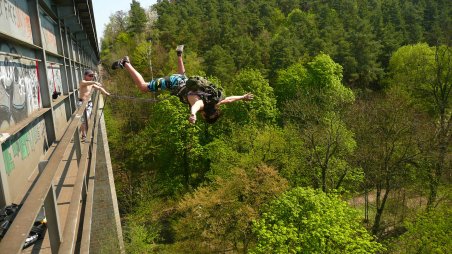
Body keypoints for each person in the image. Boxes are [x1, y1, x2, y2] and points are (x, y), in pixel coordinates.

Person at [111, 45, 253, 124]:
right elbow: (197, 106)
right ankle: (126, 62)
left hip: (183, 80)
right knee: (143, 87)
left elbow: (229, 99)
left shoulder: (215, 101)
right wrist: (193, 115)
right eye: (204, 117)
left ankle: (179, 55)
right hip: (172, 82)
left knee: (182, 75)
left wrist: (242, 97)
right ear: (206, 114)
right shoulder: (202, 105)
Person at [78, 69, 110, 141]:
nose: (91, 77)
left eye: (92, 76)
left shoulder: (91, 84)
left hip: (89, 103)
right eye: (90, 76)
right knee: (84, 120)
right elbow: (87, 83)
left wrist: (106, 93)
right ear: (85, 76)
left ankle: (84, 132)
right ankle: (84, 135)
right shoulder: (82, 82)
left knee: (87, 118)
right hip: (82, 103)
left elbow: (99, 88)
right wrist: (95, 82)